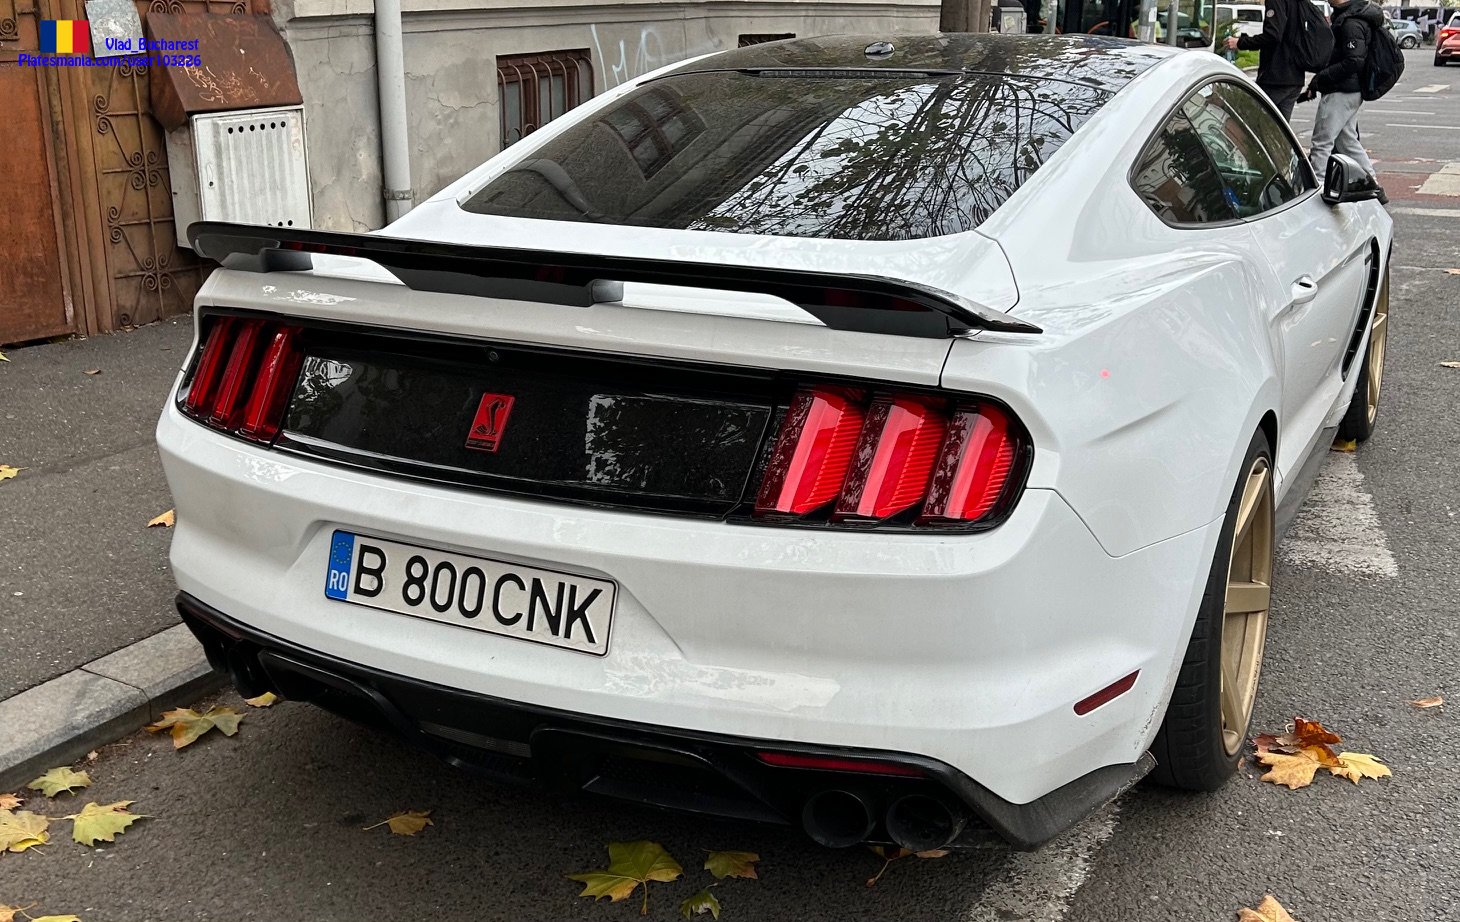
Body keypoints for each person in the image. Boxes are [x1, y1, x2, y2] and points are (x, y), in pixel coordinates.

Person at [1300, 0, 1388, 203]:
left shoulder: (1351, 23)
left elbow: (1354, 60)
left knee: (1322, 141)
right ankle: (1372, 184)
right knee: (1347, 141)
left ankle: (1317, 189)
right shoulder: (1350, 16)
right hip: (1349, 90)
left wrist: (1322, 77)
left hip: (1341, 90)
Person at [1224, 0, 1306, 119]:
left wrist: (1241, 42)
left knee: (1248, 119)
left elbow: (1273, 35)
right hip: (1296, 76)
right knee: (1279, 129)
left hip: (1276, 76)